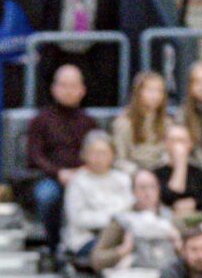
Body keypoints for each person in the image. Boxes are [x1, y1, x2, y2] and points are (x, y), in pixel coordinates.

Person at [85, 166, 179, 278]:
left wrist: (179, 246)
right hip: (134, 276)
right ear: (134, 192)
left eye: (152, 187)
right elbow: (96, 259)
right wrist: (123, 250)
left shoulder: (172, 219)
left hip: (166, 274)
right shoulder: (122, 221)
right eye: (142, 188)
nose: (148, 192)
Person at [23, 62, 96, 248]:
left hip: (85, 177)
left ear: (82, 90)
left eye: (73, 86)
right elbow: (34, 156)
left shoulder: (89, 122)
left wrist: (82, 172)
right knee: (47, 196)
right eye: (63, 85)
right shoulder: (40, 121)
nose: (68, 91)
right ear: (54, 89)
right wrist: (59, 173)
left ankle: (88, 248)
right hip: (51, 178)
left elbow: (98, 152)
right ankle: (53, 246)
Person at [61, 131, 131, 255]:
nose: (99, 158)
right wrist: (111, 219)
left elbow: (129, 208)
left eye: (103, 153)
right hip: (87, 238)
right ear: (85, 155)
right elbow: (78, 219)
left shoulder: (123, 179)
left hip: (121, 235)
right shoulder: (78, 181)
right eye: (94, 153)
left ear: (112, 154)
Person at [111, 69, 172, 172]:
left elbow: (168, 153)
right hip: (133, 173)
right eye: (150, 90)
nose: (155, 95)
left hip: (160, 172)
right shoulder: (123, 123)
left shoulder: (168, 123)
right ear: (138, 92)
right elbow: (119, 159)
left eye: (159, 91)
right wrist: (138, 173)